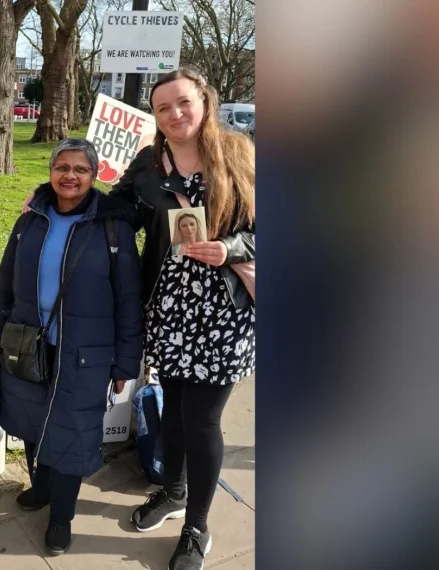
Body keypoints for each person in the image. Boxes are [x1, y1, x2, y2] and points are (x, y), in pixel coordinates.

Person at [110, 69, 256, 570]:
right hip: (169, 307)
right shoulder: (149, 165)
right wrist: (52, 199)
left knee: (202, 420)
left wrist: (230, 246)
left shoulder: (239, 155)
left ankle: (197, 526)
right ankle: (172, 493)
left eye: (182, 103)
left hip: (224, 312)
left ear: (205, 101)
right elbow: (115, 211)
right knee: (171, 411)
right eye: (162, 108)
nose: (174, 115)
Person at [0, 138, 144, 556]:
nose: (70, 176)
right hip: (30, 344)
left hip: (85, 355)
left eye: (80, 169)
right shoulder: (30, 221)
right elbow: (5, 283)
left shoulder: (113, 229)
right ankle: (42, 488)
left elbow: (129, 300)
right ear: (51, 170)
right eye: (62, 167)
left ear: (94, 176)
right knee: (34, 423)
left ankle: (62, 517)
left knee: (72, 433)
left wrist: (126, 362)